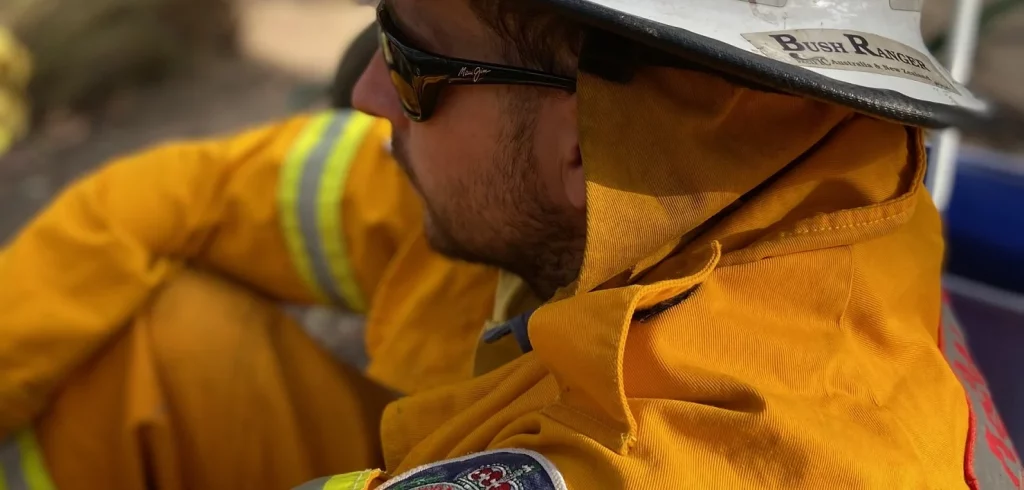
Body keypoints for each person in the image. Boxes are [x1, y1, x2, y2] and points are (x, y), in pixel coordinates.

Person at [1, 1, 1020, 490]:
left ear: (585, 147)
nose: (363, 98)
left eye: (408, 64)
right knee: (153, 358)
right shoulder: (662, 175)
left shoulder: (687, 458)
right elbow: (173, 194)